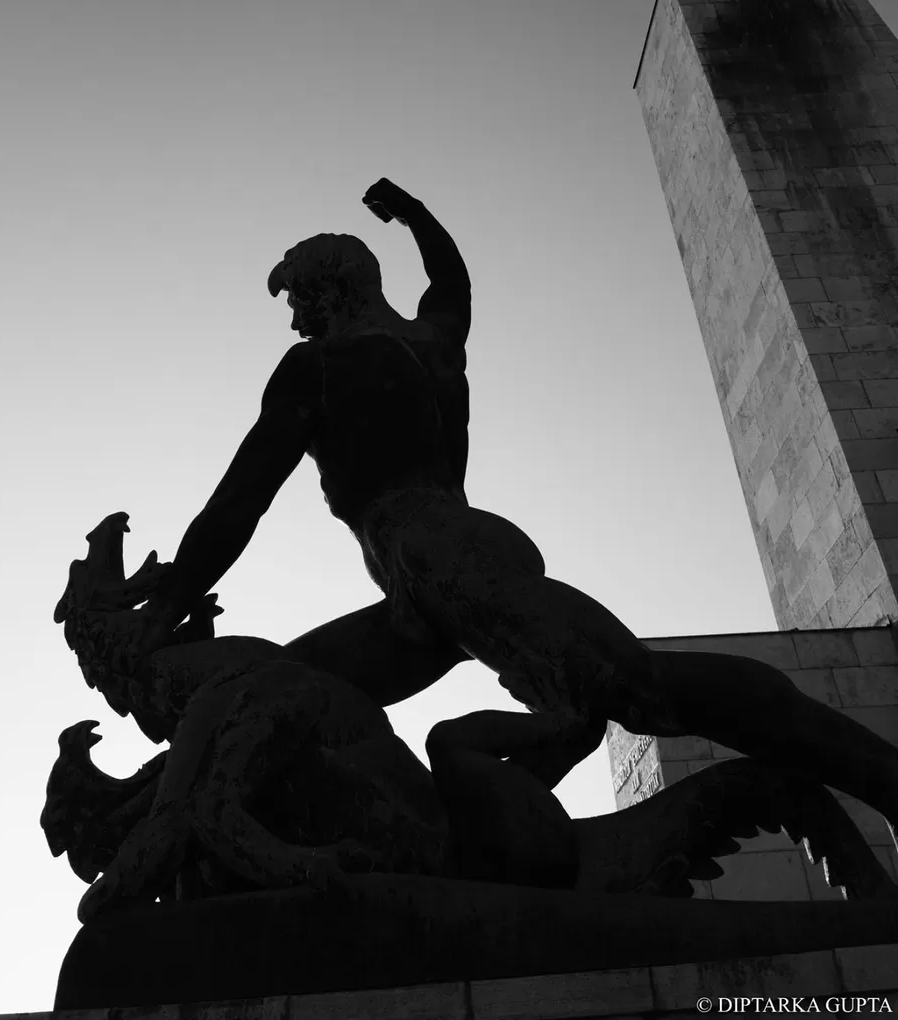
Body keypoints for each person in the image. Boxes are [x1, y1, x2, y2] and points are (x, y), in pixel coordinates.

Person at [152, 178, 898, 826]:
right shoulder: (433, 343)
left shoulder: (315, 368)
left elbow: (239, 502)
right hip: (434, 579)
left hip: (443, 561)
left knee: (640, 689)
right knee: (282, 692)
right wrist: (417, 217)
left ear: (326, 291)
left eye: (299, 303)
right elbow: (453, 288)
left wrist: (168, 599)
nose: (294, 323)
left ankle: (885, 782)